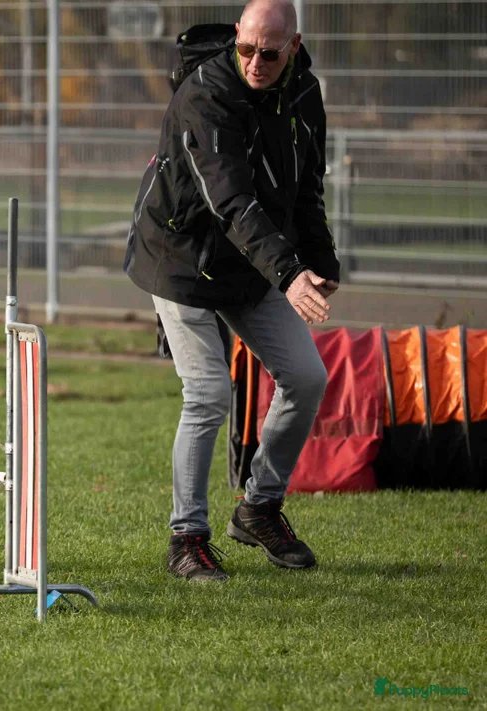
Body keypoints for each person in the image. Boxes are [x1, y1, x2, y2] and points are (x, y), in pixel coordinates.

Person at [123, 0, 340, 581]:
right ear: (236, 39)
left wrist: (320, 262)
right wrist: (289, 274)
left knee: (306, 377)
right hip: (181, 259)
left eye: (270, 53)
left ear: (292, 48)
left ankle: (260, 506)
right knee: (209, 393)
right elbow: (232, 201)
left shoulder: (302, 92)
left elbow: (307, 186)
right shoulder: (205, 94)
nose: (256, 62)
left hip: (251, 264)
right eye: (246, 49)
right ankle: (186, 539)